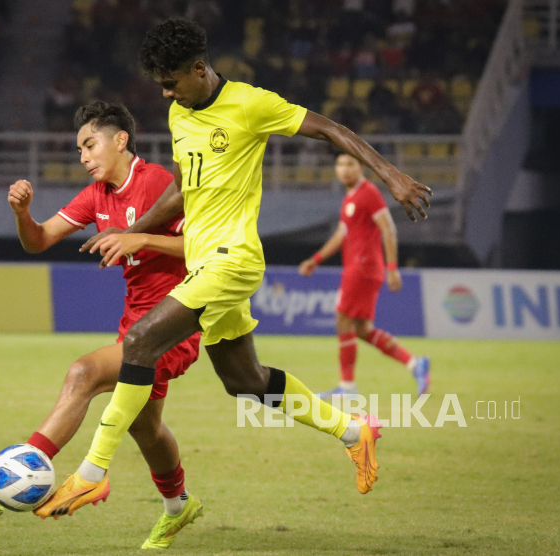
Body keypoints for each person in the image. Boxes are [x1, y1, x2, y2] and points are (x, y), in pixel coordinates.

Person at [36, 18, 431, 522]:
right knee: (244, 379)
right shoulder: (180, 114)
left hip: (234, 259)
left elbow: (329, 129)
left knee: (138, 343)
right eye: (160, 82)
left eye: (172, 80)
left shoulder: (251, 104)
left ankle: (90, 476)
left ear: (199, 68)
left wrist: (392, 175)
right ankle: (356, 433)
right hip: (204, 260)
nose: (165, 91)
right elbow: (184, 188)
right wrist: (138, 232)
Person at [0, 101, 203, 549]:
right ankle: (178, 507)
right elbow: (38, 241)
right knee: (145, 428)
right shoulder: (96, 197)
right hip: (136, 324)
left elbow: (202, 248)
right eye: (79, 150)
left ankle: (23, 467)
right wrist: (23, 213)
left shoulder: (159, 183)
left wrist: (142, 237)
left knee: (84, 373)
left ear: (120, 140)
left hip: (177, 321)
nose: (83, 157)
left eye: (90, 145)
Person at [298, 153, 430, 399]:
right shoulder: (350, 197)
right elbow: (342, 233)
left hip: (363, 267)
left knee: (342, 319)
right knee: (361, 329)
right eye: (339, 164)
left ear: (361, 168)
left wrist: (392, 268)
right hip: (358, 267)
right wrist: (316, 260)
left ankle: (347, 387)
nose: (344, 169)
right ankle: (415, 364)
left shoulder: (368, 193)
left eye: (350, 164)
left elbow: (388, 228)